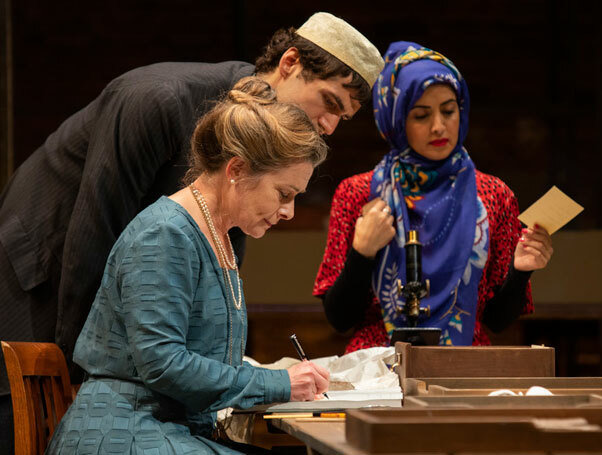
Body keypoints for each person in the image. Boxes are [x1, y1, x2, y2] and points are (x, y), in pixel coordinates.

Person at [0, 12, 382, 452]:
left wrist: (255, 374)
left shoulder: (222, 207)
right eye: (330, 102)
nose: (331, 125)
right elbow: (94, 237)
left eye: (345, 117)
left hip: (157, 397)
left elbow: (206, 317)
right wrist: (75, 382)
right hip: (38, 275)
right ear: (290, 63)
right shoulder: (158, 102)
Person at [46, 76, 331, 454]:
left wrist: (279, 380)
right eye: (283, 193)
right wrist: (278, 383)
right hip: (125, 433)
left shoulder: (215, 236)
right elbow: (163, 363)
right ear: (237, 170)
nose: (289, 212)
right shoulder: (165, 233)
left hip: (170, 428)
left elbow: (200, 362)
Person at [313, 41, 554, 353]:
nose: (439, 126)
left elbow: (495, 321)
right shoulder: (358, 193)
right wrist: (362, 252)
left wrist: (521, 272)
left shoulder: (494, 196)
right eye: (421, 115)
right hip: (378, 373)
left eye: (449, 111)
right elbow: (341, 320)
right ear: (396, 120)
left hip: (464, 368)